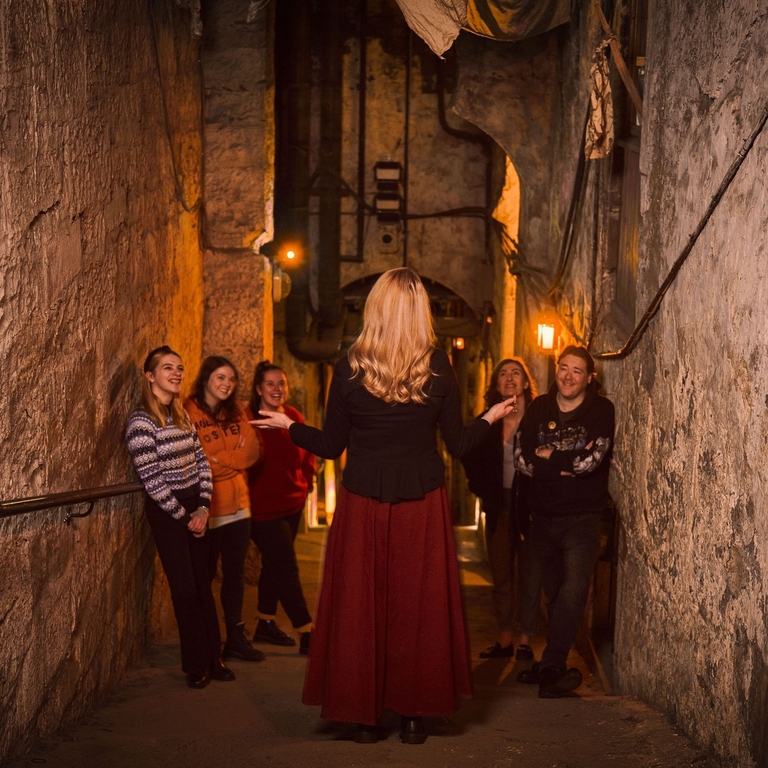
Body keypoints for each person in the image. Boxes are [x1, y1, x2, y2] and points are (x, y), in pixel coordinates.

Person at [254, 267, 517, 745]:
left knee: (361, 604)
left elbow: (331, 446)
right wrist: (490, 416)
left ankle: (365, 716)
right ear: (420, 312)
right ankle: (415, 716)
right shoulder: (439, 366)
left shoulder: (350, 366)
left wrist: (287, 426)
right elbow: (458, 444)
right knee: (419, 606)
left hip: (362, 502)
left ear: (375, 307)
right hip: (422, 502)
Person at [125, 345, 236, 689]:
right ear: (150, 375)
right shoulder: (141, 422)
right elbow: (152, 480)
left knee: (203, 585)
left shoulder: (182, 415)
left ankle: (214, 658)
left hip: (195, 507)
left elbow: (202, 462)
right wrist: (184, 516)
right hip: (167, 512)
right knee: (184, 589)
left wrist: (202, 506)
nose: (176, 373)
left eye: (179, 368)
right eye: (167, 368)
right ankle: (195, 664)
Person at [515, 344, 614, 698]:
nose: (568, 376)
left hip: (582, 518)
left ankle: (554, 663)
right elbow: (522, 460)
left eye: (577, 371)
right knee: (554, 593)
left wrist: (549, 458)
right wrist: (566, 465)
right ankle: (549, 666)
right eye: (563, 368)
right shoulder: (539, 407)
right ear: (556, 370)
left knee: (574, 591)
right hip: (542, 516)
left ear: (589, 378)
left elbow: (592, 464)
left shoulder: (601, 410)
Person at [185, 356, 264, 663]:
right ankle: (206, 640)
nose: (226, 384)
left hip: (239, 508)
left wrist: (222, 461)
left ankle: (235, 638)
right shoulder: (188, 412)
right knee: (203, 577)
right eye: (220, 377)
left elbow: (251, 450)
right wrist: (226, 460)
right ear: (206, 379)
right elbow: (197, 458)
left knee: (234, 576)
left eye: (231, 379)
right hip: (208, 509)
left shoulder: (236, 412)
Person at [462, 357, 542, 661]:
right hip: (498, 507)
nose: (510, 378)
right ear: (497, 384)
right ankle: (505, 638)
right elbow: (468, 454)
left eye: (516, 373)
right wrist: (479, 488)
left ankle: (525, 640)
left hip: (530, 509)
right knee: (501, 574)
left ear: (525, 382)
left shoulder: (538, 417)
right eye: (504, 374)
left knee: (530, 574)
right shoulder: (488, 420)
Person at [246, 361, 315, 655]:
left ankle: (265, 622)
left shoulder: (293, 416)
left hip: (293, 504)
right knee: (286, 567)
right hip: (262, 509)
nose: (277, 389)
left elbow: (308, 452)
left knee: (274, 566)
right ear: (259, 389)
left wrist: (307, 484)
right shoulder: (249, 420)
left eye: (281, 383)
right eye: (270, 384)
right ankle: (307, 631)